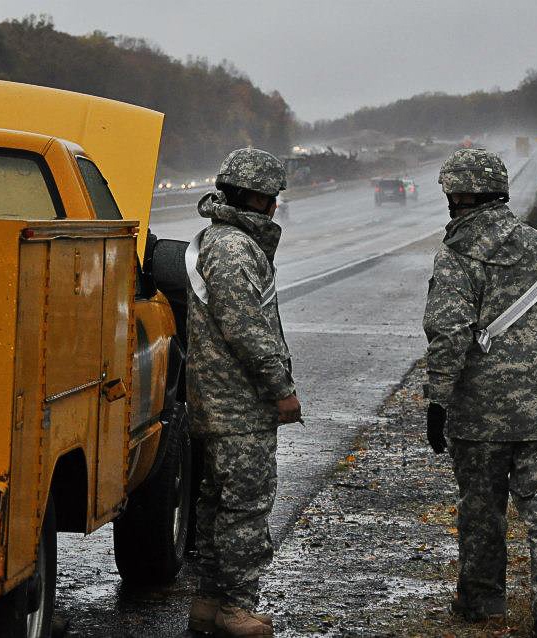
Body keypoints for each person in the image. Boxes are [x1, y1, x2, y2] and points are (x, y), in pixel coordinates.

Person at [422, 148, 537, 638]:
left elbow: (449, 332)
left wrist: (438, 398)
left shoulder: (456, 255)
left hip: (479, 418)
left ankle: (482, 602)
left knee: (481, 508)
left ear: (456, 196)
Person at [185, 148, 302, 637]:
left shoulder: (220, 241)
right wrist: (281, 390)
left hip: (217, 404)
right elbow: (246, 329)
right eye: (271, 198)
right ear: (259, 198)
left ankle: (209, 603)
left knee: (217, 506)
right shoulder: (234, 248)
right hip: (237, 406)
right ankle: (237, 608)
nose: (275, 207)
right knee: (245, 509)